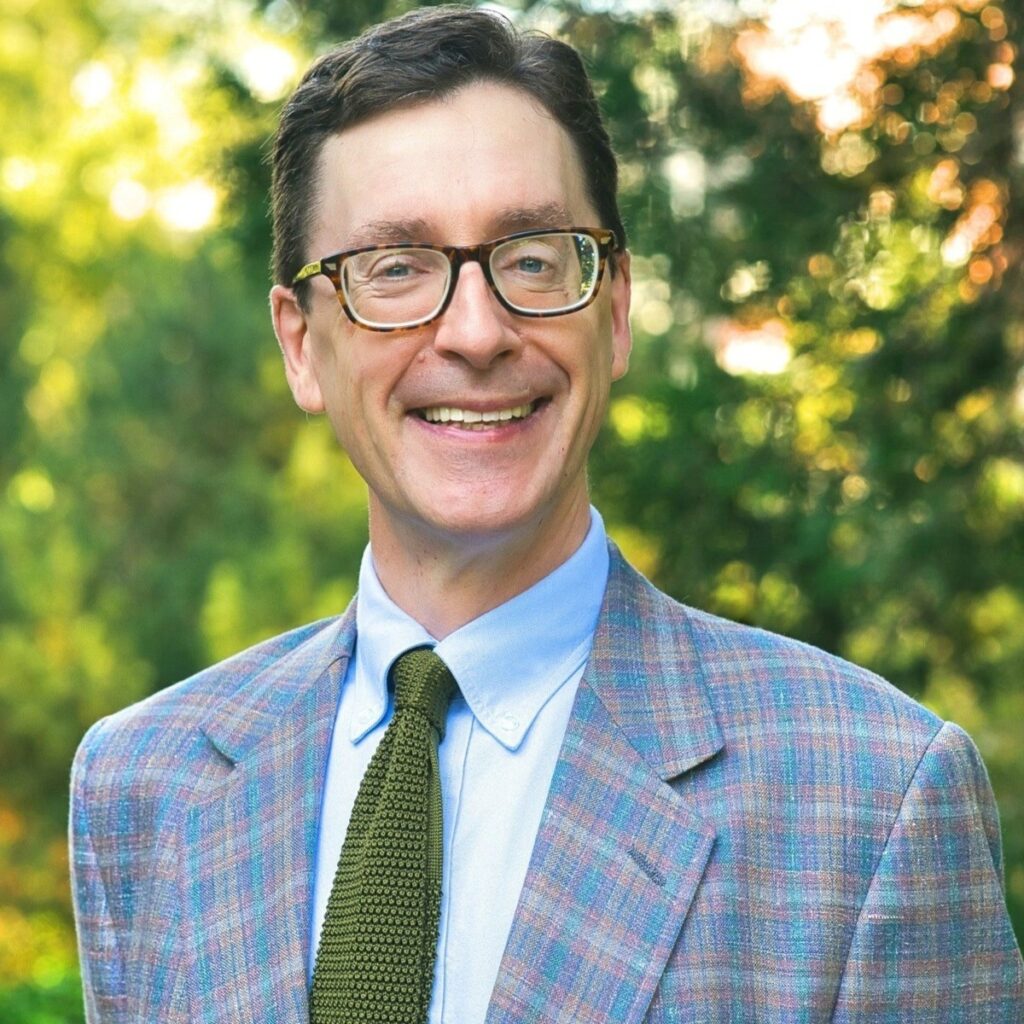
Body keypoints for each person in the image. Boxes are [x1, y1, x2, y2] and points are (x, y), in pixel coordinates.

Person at [70, 5, 1023, 1023]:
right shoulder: (142, 788)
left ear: (611, 312)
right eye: (396, 269)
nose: (476, 332)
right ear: (302, 343)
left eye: (531, 258)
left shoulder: (873, 799)